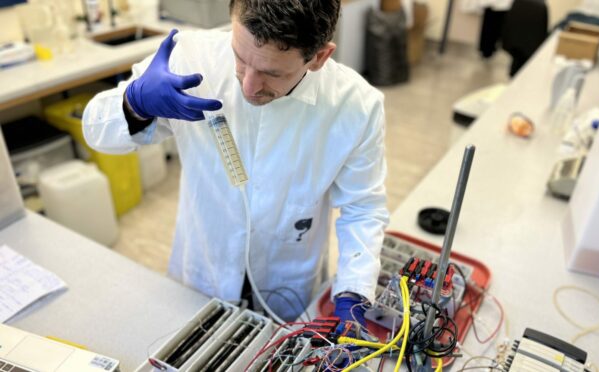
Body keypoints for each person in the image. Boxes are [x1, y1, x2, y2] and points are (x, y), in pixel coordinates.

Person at [83, 0, 389, 323]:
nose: (248, 85)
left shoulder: (356, 106)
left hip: (288, 290)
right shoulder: (190, 58)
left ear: (318, 58)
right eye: (240, 58)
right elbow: (95, 129)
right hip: (202, 277)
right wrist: (135, 103)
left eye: (272, 73)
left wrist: (354, 290)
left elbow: (363, 208)